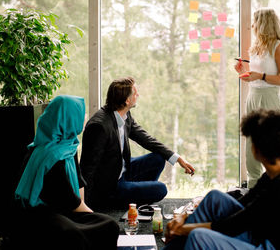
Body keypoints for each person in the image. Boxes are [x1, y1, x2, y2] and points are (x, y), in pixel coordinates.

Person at [162, 110, 280, 250]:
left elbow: (232, 226)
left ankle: (179, 242)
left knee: (199, 236)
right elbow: (244, 205)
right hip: (265, 235)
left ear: (256, 150)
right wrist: (184, 218)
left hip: (272, 245)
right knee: (214, 198)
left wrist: (183, 229)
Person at [14, 95, 119, 250]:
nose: (84, 118)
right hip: (43, 214)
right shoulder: (50, 156)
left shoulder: (68, 147)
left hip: (66, 209)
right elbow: (70, 201)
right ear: (67, 118)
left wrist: (88, 215)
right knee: (73, 234)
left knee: (110, 224)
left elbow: (79, 182)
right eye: (80, 113)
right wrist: (88, 214)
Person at [80, 77, 195, 209]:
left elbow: (147, 139)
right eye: (135, 93)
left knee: (158, 158)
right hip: (110, 187)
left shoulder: (124, 114)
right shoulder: (99, 126)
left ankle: (135, 197)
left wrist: (178, 159)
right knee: (160, 189)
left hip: (121, 170)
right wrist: (85, 206)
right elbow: (87, 168)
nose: (138, 95)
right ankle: (122, 200)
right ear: (127, 100)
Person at [234, 8, 280, 188]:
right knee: (251, 144)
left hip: (270, 99)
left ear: (263, 24)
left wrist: (260, 76)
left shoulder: (279, 47)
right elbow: (257, 75)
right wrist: (243, 72)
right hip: (254, 96)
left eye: (255, 22)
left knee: (272, 145)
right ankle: (253, 189)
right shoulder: (256, 48)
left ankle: (277, 190)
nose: (252, 26)